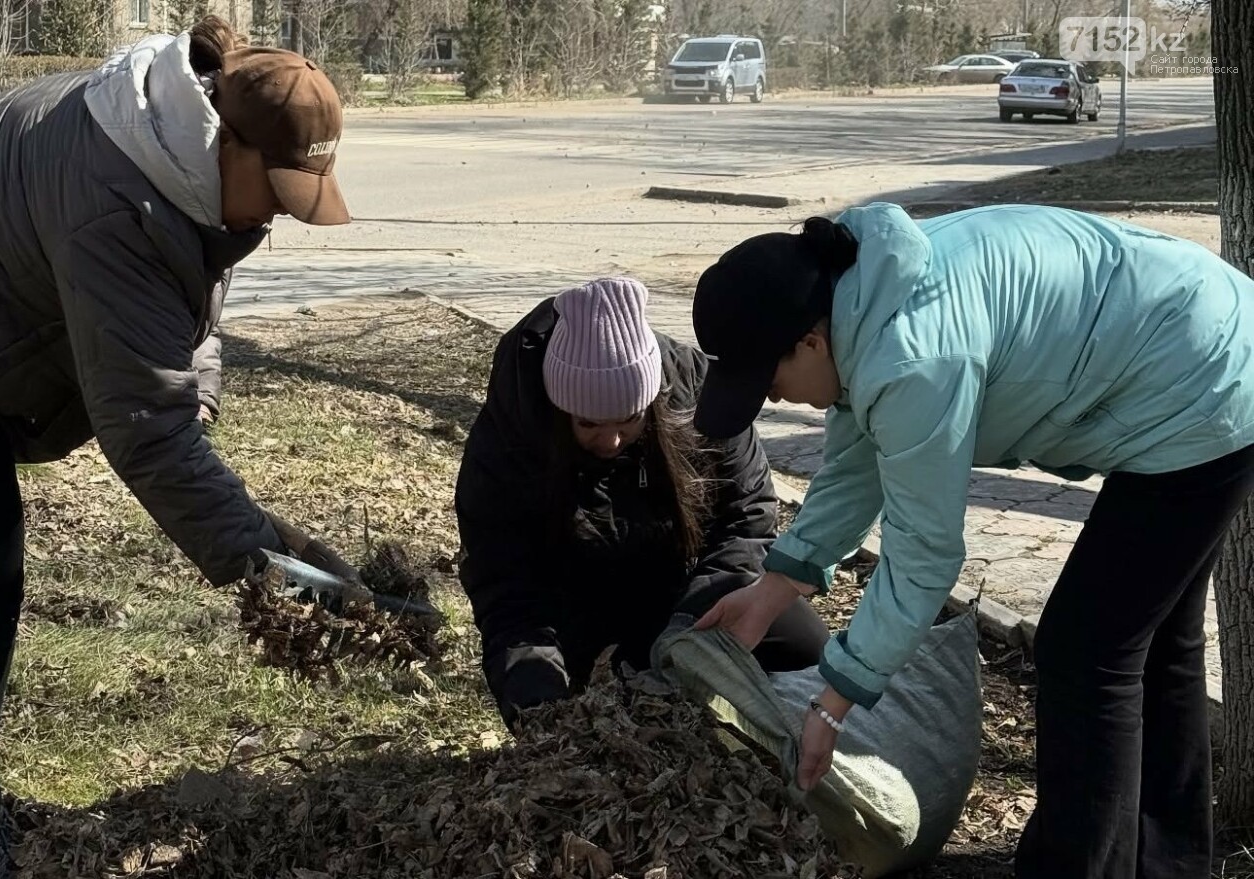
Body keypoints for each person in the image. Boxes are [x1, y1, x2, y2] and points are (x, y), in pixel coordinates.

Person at [0, 18, 359, 877]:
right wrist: (270, 568)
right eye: (277, 188)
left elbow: (187, 299)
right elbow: (145, 432)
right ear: (228, 142)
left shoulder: (181, 154)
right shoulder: (118, 202)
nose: (279, 211)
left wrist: (198, 402)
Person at [689, 201, 1254, 879]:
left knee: (1085, 652)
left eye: (770, 381)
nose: (776, 401)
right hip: (1202, 342)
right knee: (1151, 640)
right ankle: (1169, 865)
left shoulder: (912, 356)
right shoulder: (864, 302)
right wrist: (773, 591)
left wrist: (833, 702)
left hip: (1203, 382)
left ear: (810, 342)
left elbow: (923, 559)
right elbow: (855, 466)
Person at [455, 277, 829, 726]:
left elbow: (747, 518)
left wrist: (690, 623)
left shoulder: (701, 398)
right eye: (588, 424)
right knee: (579, 705)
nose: (611, 440)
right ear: (559, 410)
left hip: (691, 592)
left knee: (806, 647)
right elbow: (504, 585)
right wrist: (536, 700)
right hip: (574, 610)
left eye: (629, 420)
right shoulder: (509, 438)